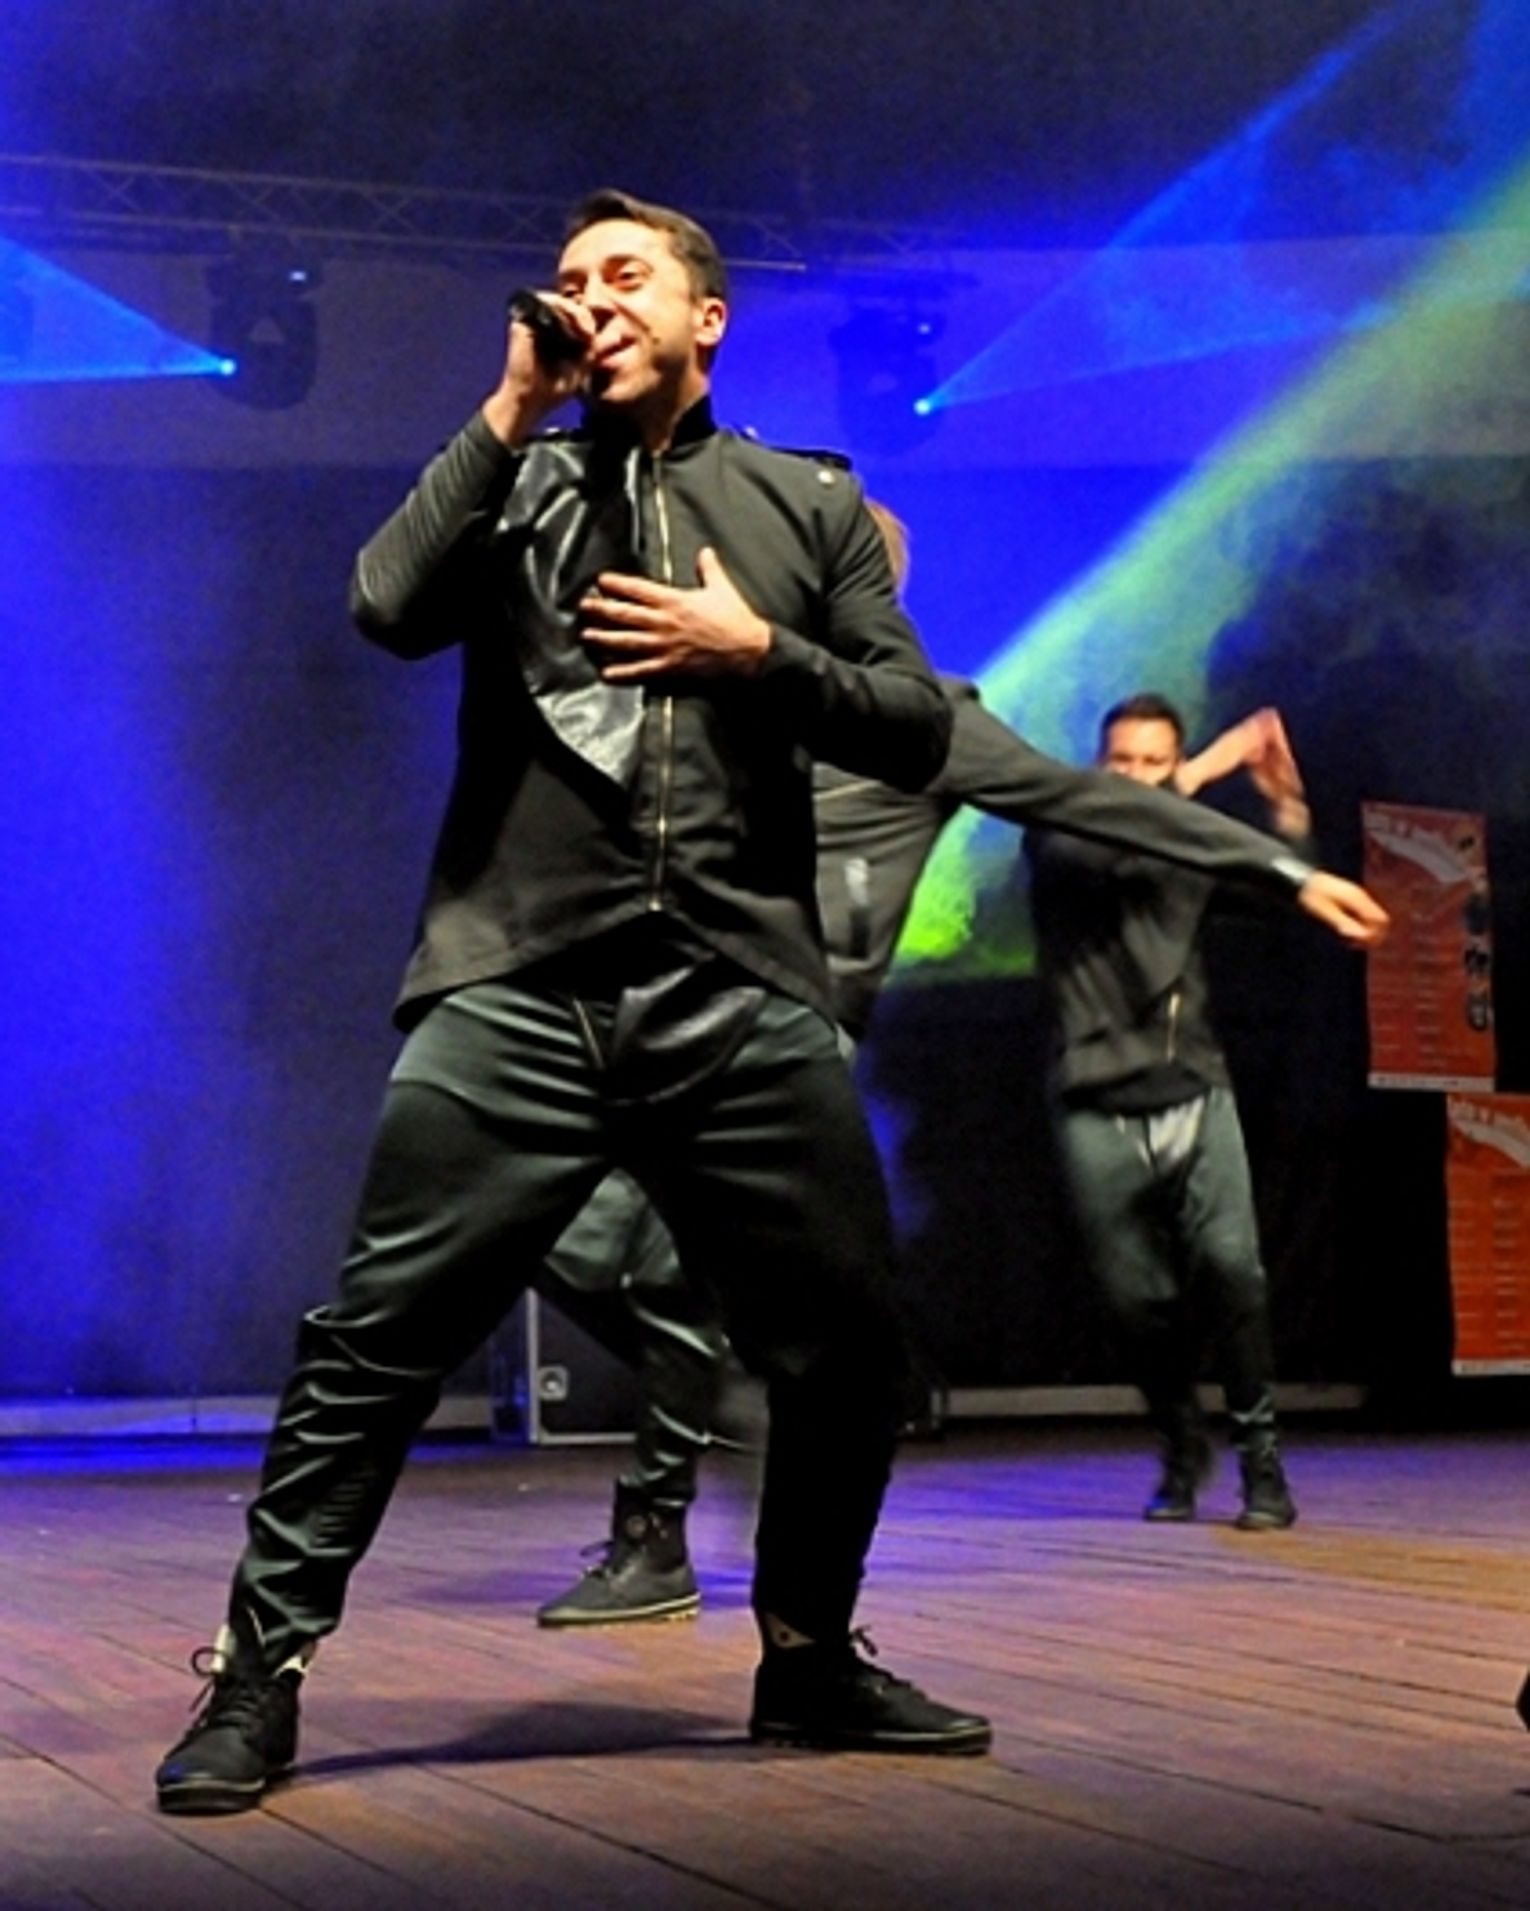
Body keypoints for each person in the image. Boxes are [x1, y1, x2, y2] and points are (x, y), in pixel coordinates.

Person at [153, 187, 1001, 1817]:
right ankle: (257, 1674)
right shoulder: (518, 483)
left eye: (626, 277)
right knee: (376, 1340)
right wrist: (504, 411)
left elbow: (912, 726)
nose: (590, 299)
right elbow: (385, 603)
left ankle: (808, 1656)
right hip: (518, 979)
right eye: (567, 281)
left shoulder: (808, 501)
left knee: (848, 1347)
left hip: (737, 987)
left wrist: (758, 654)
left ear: (705, 318)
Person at [530, 509, 1388, 1625]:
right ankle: (743, 1415)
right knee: (579, 1238)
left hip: (796, 1048)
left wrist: (1285, 866)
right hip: (672, 1026)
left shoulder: (927, 721)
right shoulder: (731, 702)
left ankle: (678, 1530)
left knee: (701, 1273)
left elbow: (1093, 805)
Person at [1026, 692, 1328, 1530]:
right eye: (1122, 761)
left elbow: (1277, 887)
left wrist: (1287, 809)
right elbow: (1118, 832)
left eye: (1154, 761)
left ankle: (1262, 1462)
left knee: (1233, 1269)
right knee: (1138, 1301)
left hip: (1193, 1085)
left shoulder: (1188, 848)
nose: (1137, 776)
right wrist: (1199, 773)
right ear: (1098, 765)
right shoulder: (1060, 832)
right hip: (1095, 1097)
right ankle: (1179, 1442)